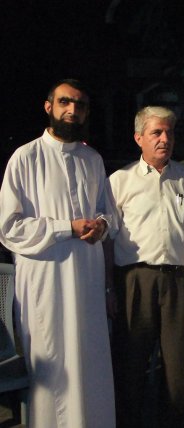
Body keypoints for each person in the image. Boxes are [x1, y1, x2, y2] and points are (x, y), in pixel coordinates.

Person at [0, 79, 115, 427]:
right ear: (48, 106)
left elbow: (108, 212)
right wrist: (67, 227)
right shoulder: (25, 157)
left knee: (88, 356)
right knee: (52, 360)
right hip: (45, 280)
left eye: (79, 105)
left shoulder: (92, 159)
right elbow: (9, 227)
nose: (72, 110)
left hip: (87, 277)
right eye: (65, 102)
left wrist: (102, 225)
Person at [106, 106, 184, 427]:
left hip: (178, 280)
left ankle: (172, 420)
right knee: (132, 359)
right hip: (135, 280)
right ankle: (129, 421)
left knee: (177, 361)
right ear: (139, 138)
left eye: (169, 132)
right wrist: (109, 287)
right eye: (156, 132)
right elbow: (107, 240)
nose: (165, 139)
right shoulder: (120, 181)